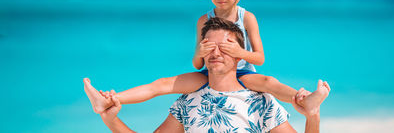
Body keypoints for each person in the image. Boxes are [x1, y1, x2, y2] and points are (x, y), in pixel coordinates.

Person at [84, 0, 322, 114]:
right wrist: (200, 53)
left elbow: (259, 58)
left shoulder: (247, 17)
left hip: (244, 74)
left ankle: (305, 100)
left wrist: (239, 54)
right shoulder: (203, 20)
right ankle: (111, 99)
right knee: (162, 84)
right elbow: (197, 63)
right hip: (209, 74)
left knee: (270, 83)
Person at [87, 17, 330, 132]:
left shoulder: (262, 102)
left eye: (224, 47)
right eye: (208, 46)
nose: (216, 52)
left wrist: (313, 116)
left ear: (238, 55)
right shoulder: (187, 102)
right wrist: (110, 120)